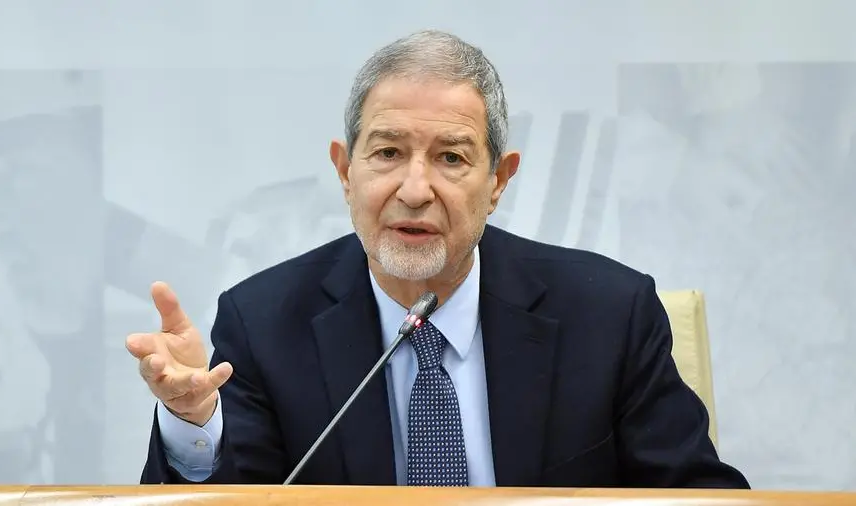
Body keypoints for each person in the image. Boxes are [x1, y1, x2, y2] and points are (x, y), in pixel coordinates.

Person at [126, 30, 750, 488]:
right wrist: (193, 421)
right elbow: (240, 499)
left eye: (451, 158)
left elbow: (699, 496)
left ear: (499, 180)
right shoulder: (264, 323)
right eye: (388, 153)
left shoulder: (610, 315)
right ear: (344, 171)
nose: (415, 189)